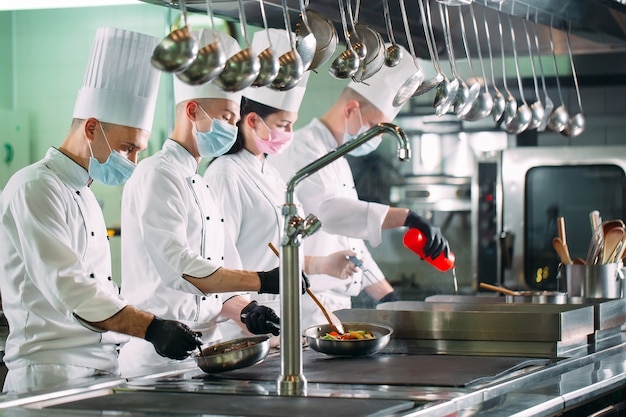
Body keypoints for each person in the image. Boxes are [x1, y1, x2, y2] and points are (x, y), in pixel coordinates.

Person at [118, 30, 352, 373]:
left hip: (203, 354)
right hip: (156, 358)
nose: (233, 126)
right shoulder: (158, 174)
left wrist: (243, 308)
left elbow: (218, 275)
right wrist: (262, 279)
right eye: (228, 117)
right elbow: (180, 269)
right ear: (193, 111)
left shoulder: (198, 181)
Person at [0, 28, 202, 394]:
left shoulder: (85, 194)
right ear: (91, 128)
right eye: (128, 148)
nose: (134, 161)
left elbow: (99, 290)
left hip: (99, 372)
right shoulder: (34, 187)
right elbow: (73, 291)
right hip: (49, 375)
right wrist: (153, 327)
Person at [268, 46, 450, 328]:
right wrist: (408, 217)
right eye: (377, 126)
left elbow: (352, 243)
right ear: (352, 109)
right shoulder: (302, 150)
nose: (377, 136)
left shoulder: (337, 156)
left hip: (338, 307)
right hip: (309, 307)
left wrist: (386, 295)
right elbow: (331, 213)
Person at [203, 29, 357, 338]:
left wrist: (322, 263)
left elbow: (274, 254)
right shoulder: (224, 175)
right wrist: (246, 315)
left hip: (281, 324)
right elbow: (214, 266)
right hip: (247, 328)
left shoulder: (270, 174)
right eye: (282, 125)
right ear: (252, 121)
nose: (288, 133)